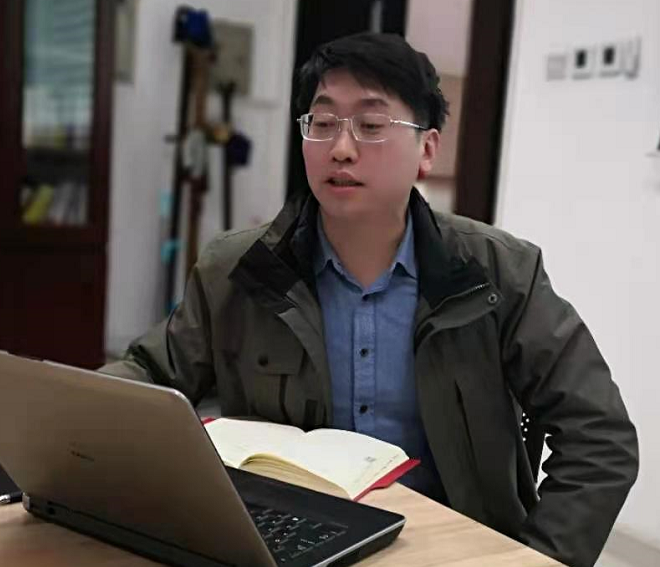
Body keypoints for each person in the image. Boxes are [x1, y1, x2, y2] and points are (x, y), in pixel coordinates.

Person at [101, 33, 638, 567]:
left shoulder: (499, 272)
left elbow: (600, 436)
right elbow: (147, 375)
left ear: (427, 149)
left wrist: (537, 559)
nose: (341, 147)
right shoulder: (237, 269)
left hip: (453, 550)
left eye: (372, 125)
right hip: (282, 541)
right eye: (323, 122)